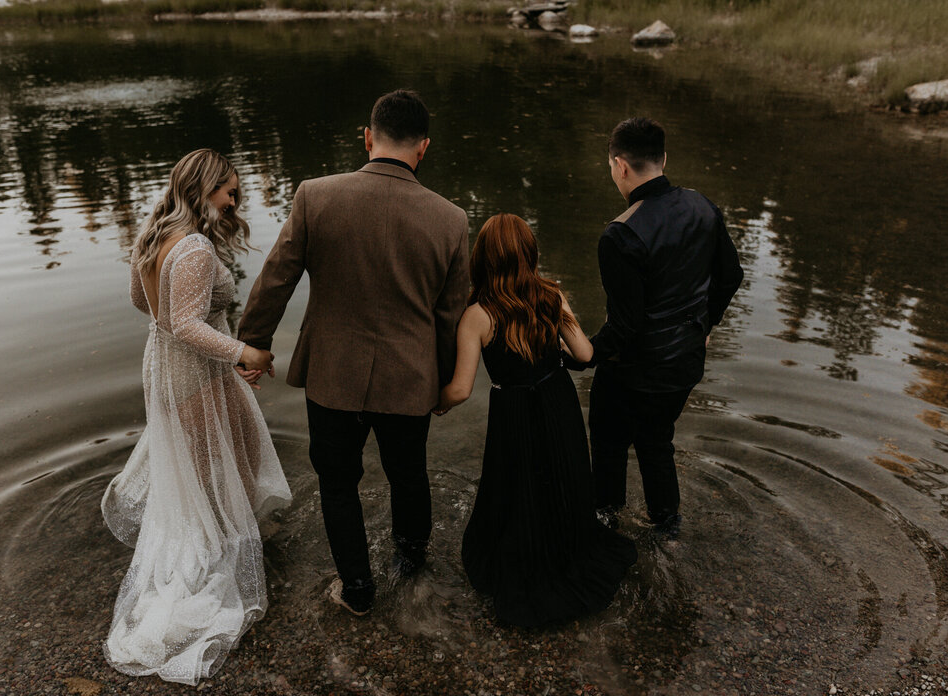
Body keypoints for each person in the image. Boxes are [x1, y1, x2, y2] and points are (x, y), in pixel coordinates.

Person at [237, 90, 470, 616]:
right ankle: (411, 570)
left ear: (368, 138)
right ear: (424, 147)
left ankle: (358, 589)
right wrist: (450, 381)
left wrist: (255, 342)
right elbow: (451, 313)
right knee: (409, 476)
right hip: (410, 379)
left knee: (338, 484)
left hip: (333, 376)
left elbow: (278, 277)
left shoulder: (315, 196)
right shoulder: (451, 219)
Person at [101, 149, 291, 685]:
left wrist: (197, 330)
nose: (235, 201)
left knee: (228, 454)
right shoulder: (196, 247)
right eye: (229, 191)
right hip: (194, 369)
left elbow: (145, 302)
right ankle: (219, 556)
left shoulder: (155, 236)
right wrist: (243, 353)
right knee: (226, 464)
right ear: (205, 189)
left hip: (167, 366)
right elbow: (184, 322)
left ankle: (227, 537)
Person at [436, 213, 637, 626]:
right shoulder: (551, 296)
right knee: (561, 476)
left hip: (512, 412)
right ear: (530, 253)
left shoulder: (478, 314)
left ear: (483, 258)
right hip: (557, 399)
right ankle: (567, 549)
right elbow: (584, 355)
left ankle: (526, 560)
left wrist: (434, 402)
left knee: (518, 487)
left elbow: (459, 389)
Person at [587, 118, 744, 538]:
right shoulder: (703, 206)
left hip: (633, 370)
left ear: (620, 165)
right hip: (684, 363)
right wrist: (706, 322)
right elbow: (731, 276)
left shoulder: (620, 234)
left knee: (608, 444)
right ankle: (667, 530)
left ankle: (605, 525)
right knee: (657, 444)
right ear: (664, 159)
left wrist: (581, 354)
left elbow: (624, 326)